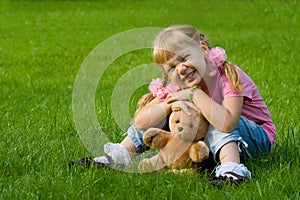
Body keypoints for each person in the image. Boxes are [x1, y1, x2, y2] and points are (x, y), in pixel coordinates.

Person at [72, 24, 276, 185]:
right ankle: (117, 157)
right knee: (167, 113)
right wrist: (167, 106)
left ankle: (232, 170)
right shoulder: (177, 86)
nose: (181, 69)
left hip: (255, 137)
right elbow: (141, 122)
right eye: (171, 67)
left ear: (203, 49)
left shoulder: (227, 74)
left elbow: (228, 123)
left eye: (184, 58)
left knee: (212, 115)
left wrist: (195, 95)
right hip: (210, 142)